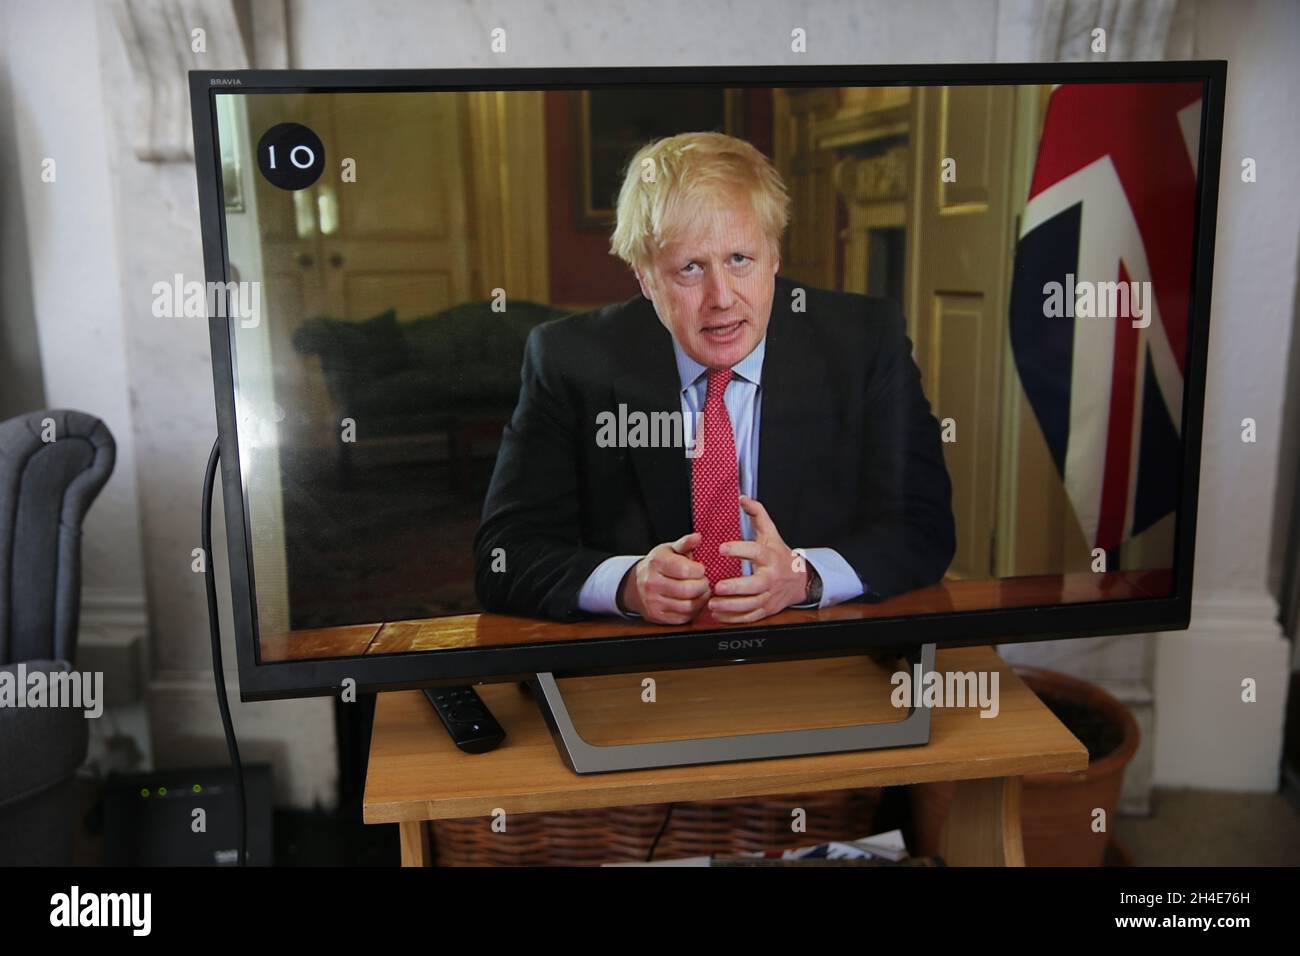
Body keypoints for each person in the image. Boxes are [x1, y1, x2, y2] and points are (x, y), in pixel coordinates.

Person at [474, 131, 954, 624]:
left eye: (740, 260)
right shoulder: (569, 360)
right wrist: (626, 583)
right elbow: (504, 555)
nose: (721, 297)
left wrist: (805, 575)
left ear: (774, 256)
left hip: (811, 650)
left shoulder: (863, 343)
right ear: (644, 277)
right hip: (645, 666)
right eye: (689, 268)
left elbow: (924, 526)